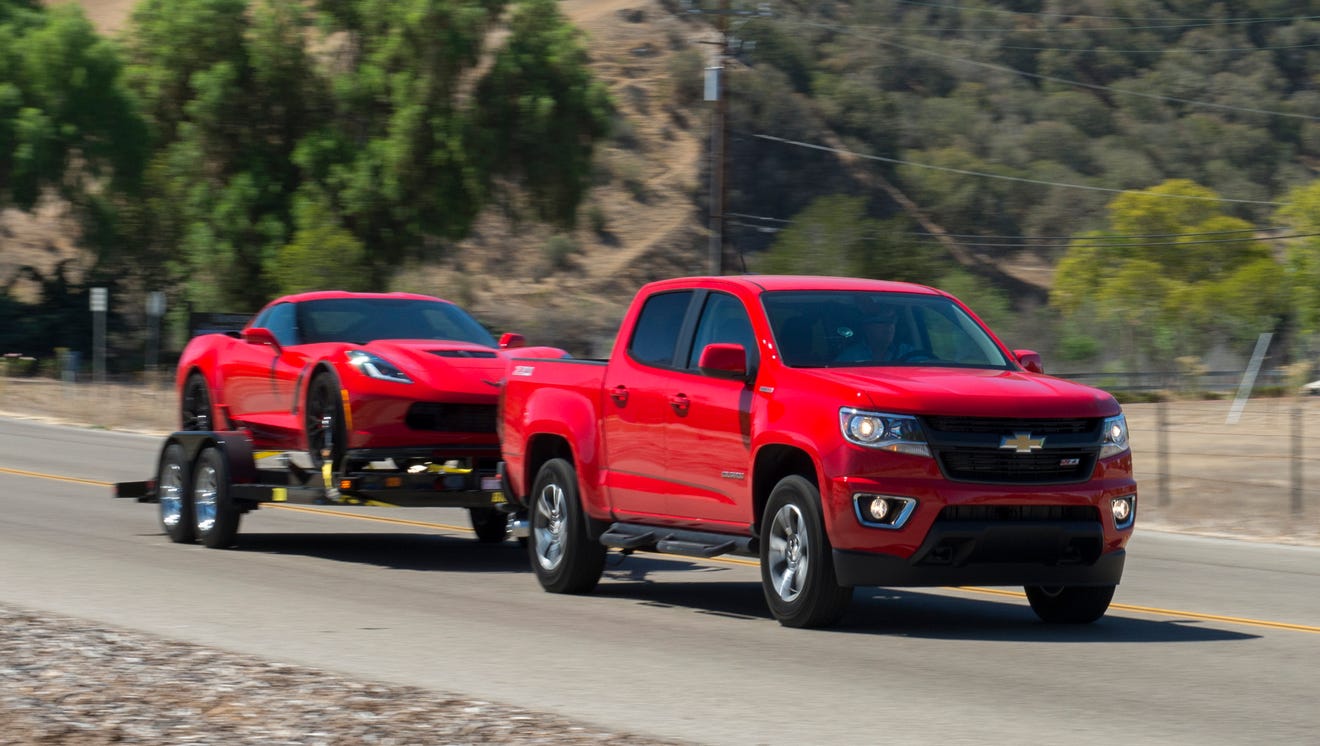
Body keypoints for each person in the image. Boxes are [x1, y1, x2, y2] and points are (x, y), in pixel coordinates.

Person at [833, 306, 910, 363]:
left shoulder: (909, 353)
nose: (889, 326)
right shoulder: (850, 357)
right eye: (882, 321)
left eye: (892, 321)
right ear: (867, 327)